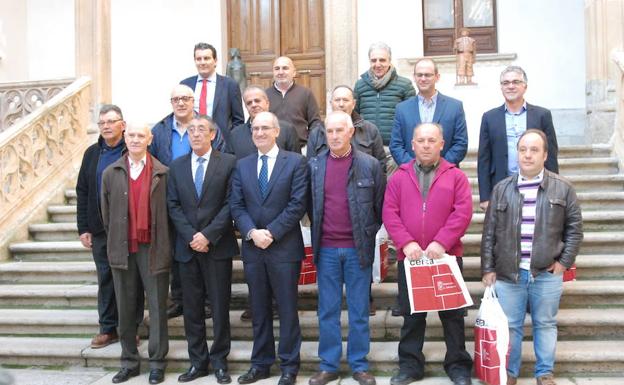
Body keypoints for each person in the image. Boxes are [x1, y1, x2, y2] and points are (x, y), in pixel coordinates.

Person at [481, 129, 583, 385]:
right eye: (523, 149)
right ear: (517, 154)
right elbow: (489, 232)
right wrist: (487, 268)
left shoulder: (563, 189)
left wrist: (564, 263)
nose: (527, 155)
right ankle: (510, 373)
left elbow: (574, 230)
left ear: (545, 155)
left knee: (545, 324)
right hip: (509, 273)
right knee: (512, 326)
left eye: (534, 150)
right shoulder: (502, 189)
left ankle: (544, 373)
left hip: (546, 273)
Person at [383, 123, 473, 385]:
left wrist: (442, 242)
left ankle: (458, 365)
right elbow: (390, 212)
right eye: (420, 140)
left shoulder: (455, 176)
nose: (425, 145)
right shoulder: (399, 176)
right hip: (410, 259)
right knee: (412, 316)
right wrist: (406, 243)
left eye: (431, 140)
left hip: (445, 256)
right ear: (412, 145)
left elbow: (462, 212)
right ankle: (410, 365)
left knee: (452, 316)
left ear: (441, 144)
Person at [230, 111, 308, 385]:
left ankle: (289, 365)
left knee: (287, 309)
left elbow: (298, 204)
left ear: (277, 131)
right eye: (255, 129)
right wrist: (251, 232)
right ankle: (261, 363)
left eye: (265, 128)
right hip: (253, 249)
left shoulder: (296, 162)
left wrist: (271, 233)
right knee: (259, 309)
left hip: (284, 248)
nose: (259, 133)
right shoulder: (243, 165)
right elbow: (236, 205)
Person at [307, 111, 384, 385]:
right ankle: (328, 365)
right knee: (327, 310)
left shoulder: (370, 165)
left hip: (357, 250)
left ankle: (359, 364)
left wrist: (365, 235)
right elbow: (309, 205)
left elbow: (378, 208)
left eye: (340, 130)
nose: (335, 136)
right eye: (330, 131)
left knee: (359, 310)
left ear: (351, 132)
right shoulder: (314, 166)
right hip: (326, 249)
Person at [167, 116, 239, 384]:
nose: (195, 134)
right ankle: (198, 362)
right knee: (192, 308)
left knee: (220, 307)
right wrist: (191, 236)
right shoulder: (176, 166)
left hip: (217, 246)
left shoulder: (229, 163)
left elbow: (232, 203)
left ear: (212, 135)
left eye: (201, 130)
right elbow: (172, 205)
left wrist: (208, 235)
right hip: (187, 249)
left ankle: (220, 361)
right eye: (191, 130)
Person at [101, 125, 171, 384]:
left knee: (157, 307)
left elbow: (169, 215)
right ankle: (129, 362)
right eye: (131, 135)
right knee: (126, 309)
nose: (135, 139)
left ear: (149, 139)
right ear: (125, 138)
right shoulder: (112, 172)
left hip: (153, 248)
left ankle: (157, 363)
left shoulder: (163, 173)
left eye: (141, 135)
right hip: (123, 248)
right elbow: (105, 214)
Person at [76, 104, 143, 349]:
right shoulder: (91, 154)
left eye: (111, 121)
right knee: (106, 279)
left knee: (131, 279)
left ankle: (130, 328)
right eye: (102, 122)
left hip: (129, 228)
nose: (105, 126)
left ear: (122, 125)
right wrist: (83, 227)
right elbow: (82, 190)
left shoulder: (134, 149)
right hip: (100, 229)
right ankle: (107, 328)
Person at [150, 84, 210, 320]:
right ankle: (178, 299)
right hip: (172, 198)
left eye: (186, 98)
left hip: (204, 199)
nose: (181, 103)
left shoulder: (207, 125)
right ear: (171, 103)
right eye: (176, 99)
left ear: (193, 101)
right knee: (177, 251)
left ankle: (205, 301)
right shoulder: (161, 130)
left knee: (204, 251)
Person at [477, 66, 559, 210]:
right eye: (506, 83)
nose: (510, 86)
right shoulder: (489, 118)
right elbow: (484, 159)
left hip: (536, 184)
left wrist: (554, 190)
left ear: (524, 86)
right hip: (502, 185)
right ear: (501, 87)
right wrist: (485, 196)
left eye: (515, 82)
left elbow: (551, 154)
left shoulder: (542, 115)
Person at [390, 58, 468, 167]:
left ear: (437, 77)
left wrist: (440, 167)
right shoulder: (402, 109)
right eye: (419, 75)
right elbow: (396, 145)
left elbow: (461, 144)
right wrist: (413, 168)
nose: (423, 79)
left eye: (427, 75)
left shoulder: (454, 107)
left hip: (446, 175)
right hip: (411, 176)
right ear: (414, 77)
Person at [307, 85, 386, 173]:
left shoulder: (370, 130)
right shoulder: (317, 132)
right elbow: (310, 168)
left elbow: (380, 166)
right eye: (337, 100)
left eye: (345, 100)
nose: (341, 104)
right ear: (331, 103)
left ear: (353, 104)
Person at [180, 42, 245, 149]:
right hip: (191, 143)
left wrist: (229, 141)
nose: (202, 62)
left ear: (215, 61)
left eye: (206, 58)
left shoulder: (230, 85)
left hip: (221, 146)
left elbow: (238, 120)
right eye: (199, 59)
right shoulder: (185, 84)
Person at [353, 42, 415, 146]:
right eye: (373, 60)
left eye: (382, 60)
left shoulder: (404, 85)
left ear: (390, 61)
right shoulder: (360, 85)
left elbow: (411, 117)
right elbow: (354, 115)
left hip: (395, 146)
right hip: (366, 145)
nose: (378, 64)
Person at [225, 85, 300, 160]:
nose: (253, 105)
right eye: (249, 103)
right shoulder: (235, 134)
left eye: (257, 101)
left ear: (267, 103)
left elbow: (296, 162)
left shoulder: (286, 130)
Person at [266, 56, 323, 146]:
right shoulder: (265, 95)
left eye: (285, 68)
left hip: (301, 148)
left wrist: (311, 143)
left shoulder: (305, 93)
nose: (280, 72)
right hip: (273, 148)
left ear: (294, 72)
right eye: (277, 69)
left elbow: (315, 122)